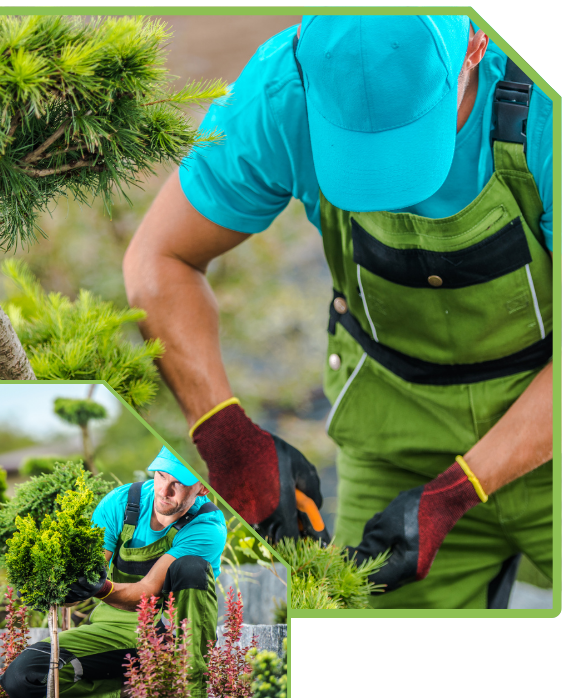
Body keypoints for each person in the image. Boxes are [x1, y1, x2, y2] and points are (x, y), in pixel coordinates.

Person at [122, 15, 553, 609]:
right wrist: (227, 437)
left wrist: (457, 492)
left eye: (408, 135)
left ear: (476, 46)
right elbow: (158, 260)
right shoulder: (281, 93)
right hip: (396, 430)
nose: (387, 182)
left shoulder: (544, 111)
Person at [1, 446, 227, 698]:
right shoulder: (122, 503)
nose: (164, 491)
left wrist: (101, 588)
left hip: (169, 639)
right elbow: (92, 567)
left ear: (202, 488)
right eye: (160, 476)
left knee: (192, 567)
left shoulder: (206, 525)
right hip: (113, 632)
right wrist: (63, 586)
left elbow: (146, 591)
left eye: (178, 483)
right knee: (22, 678)